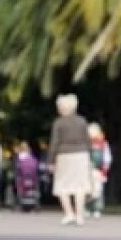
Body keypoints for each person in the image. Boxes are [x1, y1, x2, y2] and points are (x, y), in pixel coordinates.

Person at [48, 93, 92, 225]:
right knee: (80, 186)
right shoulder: (82, 121)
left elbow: (54, 142)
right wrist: (89, 156)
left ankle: (69, 213)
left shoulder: (59, 123)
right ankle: (80, 216)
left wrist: (51, 160)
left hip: (64, 155)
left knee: (62, 185)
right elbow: (88, 140)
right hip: (82, 155)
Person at [85, 122, 113, 218]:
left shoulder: (103, 144)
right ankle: (87, 208)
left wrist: (105, 169)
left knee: (98, 190)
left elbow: (107, 158)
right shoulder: (85, 144)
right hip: (87, 171)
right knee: (87, 190)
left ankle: (97, 209)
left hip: (98, 171)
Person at [13, 142, 41, 212]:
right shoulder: (32, 157)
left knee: (21, 191)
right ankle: (35, 205)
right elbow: (37, 167)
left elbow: (17, 169)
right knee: (33, 191)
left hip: (22, 178)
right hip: (33, 178)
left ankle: (21, 205)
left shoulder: (18, 158)